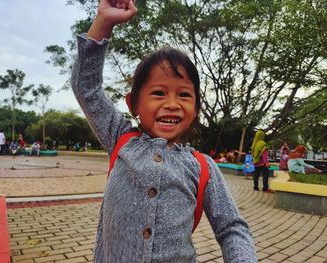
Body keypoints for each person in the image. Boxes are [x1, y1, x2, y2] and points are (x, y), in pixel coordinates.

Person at [70, 1, 257, 262]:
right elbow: (86, 86)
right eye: (158, 93)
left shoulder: (203, 168)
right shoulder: (120, 140)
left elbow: (232, 228)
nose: (172, 104)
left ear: (196, 108)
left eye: (184, 95)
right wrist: (103, 21)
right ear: (133, 104)